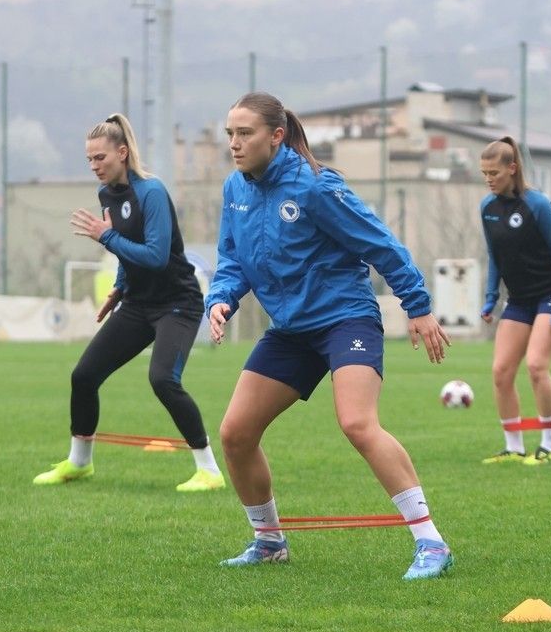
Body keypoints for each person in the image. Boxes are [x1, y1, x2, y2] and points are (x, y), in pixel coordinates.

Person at [205, 92, 453, 580]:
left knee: (357, 423)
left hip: (345, 318)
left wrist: (418, 308)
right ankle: (269, 542)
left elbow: (379, 243)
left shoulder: (315, 186)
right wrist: (222, 298)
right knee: (235, 433)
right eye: (229, 134)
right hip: (292, 330)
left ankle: (431, 543)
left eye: (245, 133)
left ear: (276, 136)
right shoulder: (235, 188)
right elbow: (233, 258)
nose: (234, 144)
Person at [33, 112, 226, 493]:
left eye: (100, 158)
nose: (94, 166)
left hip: (177, 303)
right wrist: (119, 290)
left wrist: (105, 237)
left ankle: (209, 470)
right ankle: (79, 463)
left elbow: (155, 256)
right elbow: (129, 255)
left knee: (163, 380)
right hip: (137, 304)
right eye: (89, 159)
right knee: (84, 376)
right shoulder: (107, 195)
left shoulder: (151, 192)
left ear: (122, 153)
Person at [478, 136, 551, 466]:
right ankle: (514, 446)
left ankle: (550, 444)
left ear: (512, 168)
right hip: (518, 301)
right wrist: (491, 298)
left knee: (536, 365)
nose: (489, 179)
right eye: (484, 173)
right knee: (501, 371)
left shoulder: (538, 205)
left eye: (494, 173)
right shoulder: (487, 208)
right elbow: (495, 256)